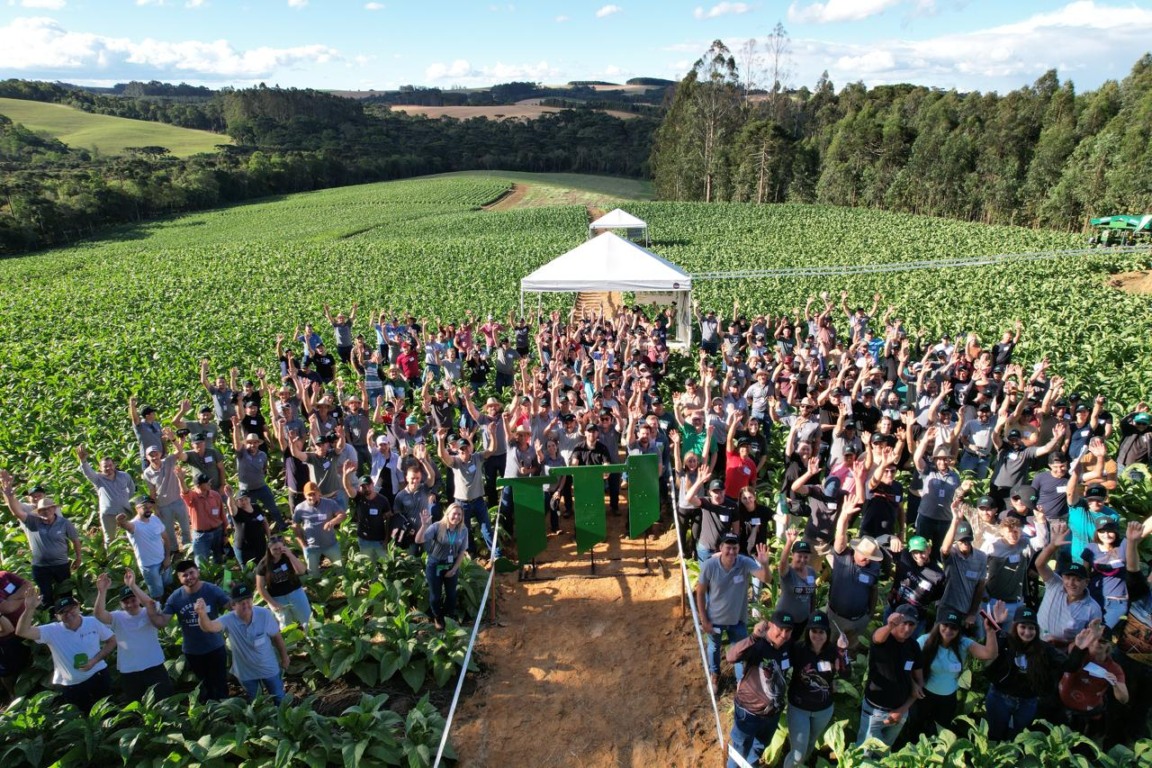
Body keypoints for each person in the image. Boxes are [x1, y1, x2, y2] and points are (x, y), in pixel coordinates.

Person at [899, 608, 998, 745]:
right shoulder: (924, 641)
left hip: (948, 699)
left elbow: (990, 654)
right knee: (915, 730)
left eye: (954, 627)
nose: (948, 630)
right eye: (945, 625)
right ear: (938, 624)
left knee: (941, 734)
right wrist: (913, 685)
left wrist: (990, 631)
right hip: (923, 695)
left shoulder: (964, 643)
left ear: (959, 630)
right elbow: (907, 666)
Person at [985, 605, 1080, 740]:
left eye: (1031, 628)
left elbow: (1069, 666)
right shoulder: (1005, 640)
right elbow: (990, 651)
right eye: (1023, 627)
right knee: (995, 734)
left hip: (1027, 702)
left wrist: (1079, 649)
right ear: (1015, 626)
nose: (1027, 632)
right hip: (1000, 698)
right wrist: (998, 623)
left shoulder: (1045, 649)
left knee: (1019, 738)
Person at [15, 592, 115, 714]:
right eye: (63, 612)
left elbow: (111, 641)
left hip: (99, 676)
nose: (68, 614)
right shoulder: (52, 631)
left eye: (71, 609)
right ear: (57, 616)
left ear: (78, 607)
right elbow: (22, 631)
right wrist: (29, 608)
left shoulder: (93, 622)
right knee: (83, 719)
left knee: (108, 713)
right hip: (72, 685)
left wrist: (94, 661)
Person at [695, 533, 771, 690]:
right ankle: (715, 675)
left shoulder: (744, 563)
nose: (731, 552)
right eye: (728, 547)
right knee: (714, 647)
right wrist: (704, 619)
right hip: (714, 619)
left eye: (734, 548)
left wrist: (764, 564)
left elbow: (766, 579)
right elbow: (700, 592)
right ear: (720, 548)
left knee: (740, 651)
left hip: (737, 620)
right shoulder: (710, 566)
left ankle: (740, 682)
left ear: (739, 549)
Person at [196, 583, 290, 704]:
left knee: (279, 697)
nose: (246, 605)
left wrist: (285, 658)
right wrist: (201, 614)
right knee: (257, 703)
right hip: (246, 673)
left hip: (269, 669)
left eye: (248, 600)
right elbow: (209, 627)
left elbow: (277, 637)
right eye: (241, 602)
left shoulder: (264, 614)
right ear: (233, 605)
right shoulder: (228, 619)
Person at [725, 610, 795, 768]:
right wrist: (754, 636)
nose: (784, 634)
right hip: (748, 713)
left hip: (771, 714)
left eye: (788, 630)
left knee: (759, 745)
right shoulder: (757, 644)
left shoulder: (788, 647)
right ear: (770, 625)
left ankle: (752, 764)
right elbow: (731, 656)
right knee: (739, 750)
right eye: (780, 628)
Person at [156, 560, 231, 702]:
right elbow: (162, 622)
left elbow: (230, 606)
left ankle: (224, 709)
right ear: (179, 579)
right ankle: (210, 710)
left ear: (198, 571)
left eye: (191, 572)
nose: (189, 577)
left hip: (215, 646)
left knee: (220, 683)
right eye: (184, 575)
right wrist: (149, 607)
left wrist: (233, 588)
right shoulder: (175, 597)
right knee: (205, 684)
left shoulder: (211, 590)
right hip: (193, 651)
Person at [93, 570, 173, 701]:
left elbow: (151, 603)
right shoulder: (117, 617)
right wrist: (102, 592)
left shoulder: (149, 612)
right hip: (129, 670)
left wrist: (132, 585)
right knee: (137, 707)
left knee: (165, 701)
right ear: (121, 604)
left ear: (138, 599)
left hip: (155, 665)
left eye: (133, 600)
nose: (130, 604)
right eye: (126, 602)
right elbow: (99, 614)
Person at [783, 611, 849, 768]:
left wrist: (842, 652)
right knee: (798, 754)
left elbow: (846, 674)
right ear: (808, 632)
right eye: (814, 631)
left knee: (810, 745)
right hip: (799, 708)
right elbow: (781, 664)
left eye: (821, 631)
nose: (818, 635)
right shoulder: (798, 649)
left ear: (827, 633)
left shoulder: (833, 651)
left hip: (823, 710)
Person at [0, 476, 81, 605]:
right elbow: (17, 512)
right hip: (41, 567)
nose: (46, 511)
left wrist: (78, 557)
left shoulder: (64, 522)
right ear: (38, 511)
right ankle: (50, 619)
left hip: (61, 565)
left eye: (49, 508)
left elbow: (75, 540)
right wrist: (9, 496)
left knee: (66, 596)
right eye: (42, 510)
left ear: (54, 509)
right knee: (45, 597)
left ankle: (66, 618)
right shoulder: (33, 522)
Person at [855, 605, 925, 751]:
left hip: (900, 712)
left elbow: (919, 683)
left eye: (911, 624)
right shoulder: (884, 639)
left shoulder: (913, 646)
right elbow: (877, 638)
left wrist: (902, 710)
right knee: (864, 753)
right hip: (875, 712)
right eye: (903, 622)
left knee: (884, 753)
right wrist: (889, 626)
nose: (907, 629)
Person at [1058, 620, 1128, 739]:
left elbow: (1124, 699)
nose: (1096, 643)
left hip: (1085, 716)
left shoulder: (1114, 668)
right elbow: (1069, 664)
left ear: (1109, 645)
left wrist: (1115, 684)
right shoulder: (1076, 649)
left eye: (1102, 640)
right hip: (1059, 708)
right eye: (1093, 638)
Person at [828, 497, 881, 652]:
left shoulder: (874, 567)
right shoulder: (843, 556)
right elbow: (840, 535)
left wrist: (869, 614)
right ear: (855, 550)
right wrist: (844, 516)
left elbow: (874, 589)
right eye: (863, 554)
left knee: (849, 651)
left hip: (858, 620)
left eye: (869, 556)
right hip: (836, 617)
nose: (866, 558)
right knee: (830, 649)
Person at [1036, 521, 1102, 644]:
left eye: (1077, 579)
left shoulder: (1093, 609)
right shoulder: (1054, 584)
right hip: (1035, 644)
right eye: (1068, 577)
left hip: (1063, 654)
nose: (1071, 583)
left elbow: (1091, 639)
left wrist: (1063, 643)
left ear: (1086, 582)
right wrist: (1052, 546)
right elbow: (1039, 564)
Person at [415, 504, 469, 631]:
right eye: (454, 513)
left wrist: (454, 569)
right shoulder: (437, 526)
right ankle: (437, 617)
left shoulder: (463, 530)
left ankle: (448, 616)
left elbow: (462, 552)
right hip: (435, 564)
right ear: (448, 513)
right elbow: (418, 540)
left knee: (451, 595)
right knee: (435, 596)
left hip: (451, 564)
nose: (457, 516)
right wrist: (423, 526)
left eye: (459, 514)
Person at [77, 443, 136, 545]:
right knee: (110, 538)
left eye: (110, 465)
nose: (108, 468)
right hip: (108, 513)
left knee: (132, 533)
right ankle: (111, 557)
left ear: (114, 465)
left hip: (125, 511)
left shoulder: (124, 476)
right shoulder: (98, 479)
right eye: (105, 467)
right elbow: (88, 472)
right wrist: (83, 461)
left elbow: (132, 488)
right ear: (100, 468)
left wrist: (126, 499)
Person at [115, 495, 171, 598]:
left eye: (150, 507)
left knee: (168, 587)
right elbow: (125, 525)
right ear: (137, 508)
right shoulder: (134, 525)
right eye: (145, 507)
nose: (149, 510)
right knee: (158, 595)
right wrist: (121, 521)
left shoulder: (155, 519)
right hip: (150, 566)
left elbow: (166, 538)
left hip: (163, 560)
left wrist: (167, 557)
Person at [254, 536, 311, 630]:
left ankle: (313, 641)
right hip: (278, 599)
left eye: (280, 548)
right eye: (274, 549)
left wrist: (290, 555)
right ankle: (291, 645)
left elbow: (302, 571)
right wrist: (272, 603)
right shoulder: (263, 565)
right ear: (269, 549)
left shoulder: (288, 556)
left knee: (307, 620)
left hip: (296, 593)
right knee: (286, 625)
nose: (278, 551)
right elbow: (260, 587)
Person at [342, 462, 393, 562]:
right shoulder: (358, 498)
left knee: (385, 565)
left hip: (380, 540)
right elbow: (347, 488)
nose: (366, 488)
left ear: (373, 484)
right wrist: (345, 474)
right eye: (363, 486)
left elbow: (388, 519)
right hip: (364, 540)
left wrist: (387, 539)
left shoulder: (383, 500)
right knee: (369, 567)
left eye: (368, 485)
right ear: (360, 488)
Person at [292, 481, 345, 575]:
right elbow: (295, 526)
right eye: (309, 495)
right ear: (304, 495)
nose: (312, 497)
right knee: (313, 574)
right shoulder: (300, 508)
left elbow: (342, 515)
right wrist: (303, 545)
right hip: (311, 547)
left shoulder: (330, 503)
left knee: (340, 570)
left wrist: (332, 522)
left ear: (319, 493)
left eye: (314, 494)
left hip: (331, 545)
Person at [181, 470, 230, 567]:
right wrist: (181, 480)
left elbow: (222, 515)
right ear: (198, 486)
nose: (210, 483)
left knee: (221, 561)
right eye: (206, 482)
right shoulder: (192, 497)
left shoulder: (215, 495)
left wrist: (225, 534)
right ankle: (204, 581)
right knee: (201, 564)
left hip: (218, 532)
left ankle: (223, 581)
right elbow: (185, 492)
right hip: (201, 536)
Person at [775, 529, 817, 636]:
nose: (803, 560)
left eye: (806, 556)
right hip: (784, 621)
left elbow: (812, 594)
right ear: (793, 555)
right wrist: (789, 542)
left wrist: (811, 615)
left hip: (802, 621)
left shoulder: (811, 572)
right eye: (799, 556)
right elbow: (782, 562)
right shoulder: (787, 573)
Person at [0, 569, 33, 700]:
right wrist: (25, 599)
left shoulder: (4, 575)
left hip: (26, 627)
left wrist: (12, 598)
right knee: (8, 670)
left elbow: (29, 585)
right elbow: (7, 608)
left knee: (27, 660)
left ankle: (26, 693)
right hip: (7, 638)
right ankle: (13, 696)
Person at [229, 492, 272, 567]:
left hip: (260, 545)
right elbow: (231, 507)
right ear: (237, 502)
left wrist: (269, 538)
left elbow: (264, 522)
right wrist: (230, 496)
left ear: (249, 498)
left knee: (262, 568)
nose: (244, 502)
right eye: (241, 500)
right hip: (245, 549)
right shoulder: (237, 512)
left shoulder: (256, 507)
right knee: (247, 572)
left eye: (246, 499)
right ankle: (229, 577)